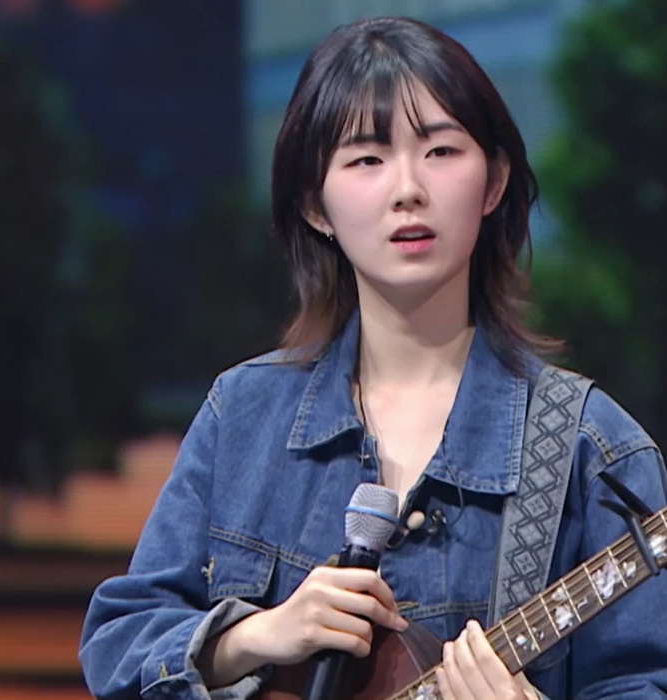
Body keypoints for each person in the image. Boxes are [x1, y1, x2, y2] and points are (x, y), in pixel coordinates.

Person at [79, 16, 667, 700]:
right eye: (367, 160)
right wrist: (255, 637)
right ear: (315, 204)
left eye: (441, 151)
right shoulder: (242, 417)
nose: (408, 189)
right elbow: (119, 642)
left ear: (494, 181)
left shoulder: (593, 450)